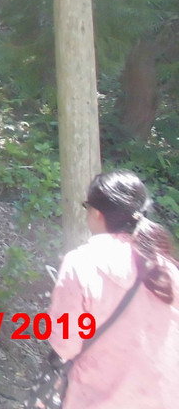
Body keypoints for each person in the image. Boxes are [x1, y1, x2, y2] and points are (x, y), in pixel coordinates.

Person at [48, 170, 179, 408]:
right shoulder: (168, 271)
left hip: (100, 398)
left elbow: (65, 343)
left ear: (97, 214)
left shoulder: (82, 262)